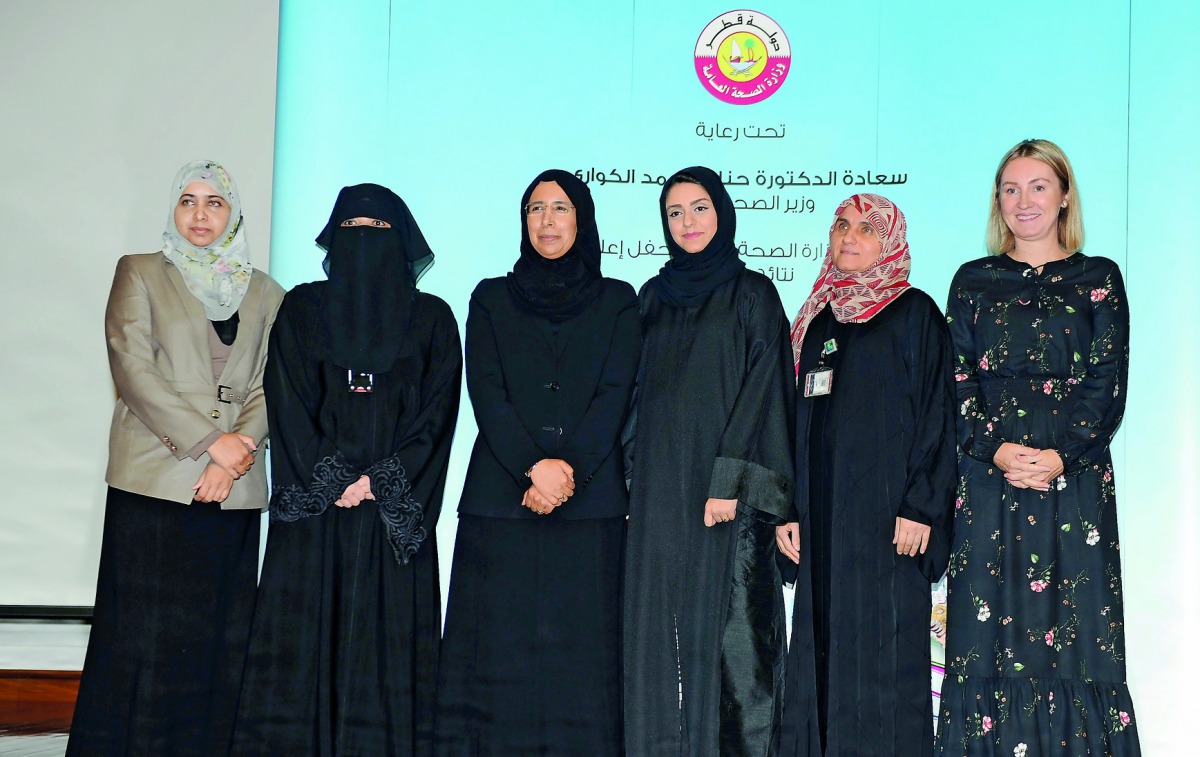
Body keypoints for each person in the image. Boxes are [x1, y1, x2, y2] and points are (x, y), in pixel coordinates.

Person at [231, 184, 461, 756]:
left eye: (380, 230)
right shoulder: (304, 308)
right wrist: (331, 479)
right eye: (353, 226)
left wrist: (381, 481)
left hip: (391, 524)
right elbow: (286, 400)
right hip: (316, 519)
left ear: (403, 240)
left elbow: (438, 416)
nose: (366, 241)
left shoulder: (432, 318)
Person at [68, 161, 284, 756]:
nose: (199, 214)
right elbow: (133, 369)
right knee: (141, 637)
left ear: (233, 213)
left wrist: (230, 458)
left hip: (232, 491)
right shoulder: (139, 273)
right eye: (188, 200)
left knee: (218, 637)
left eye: (215, 203)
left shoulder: (267, 292)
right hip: (154, 485)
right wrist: (210, 443)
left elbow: (273, 385)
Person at [935, 139, 1140, 755]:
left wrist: (1062, 456)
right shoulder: (973, 281)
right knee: (985, 631)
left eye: (1038, 186)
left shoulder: (1099, 279)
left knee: (1083, 632)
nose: (1024, 201)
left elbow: (1109, 382)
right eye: (1011, 189)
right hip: (989, 478)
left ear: (1064, 195)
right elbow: (957, 381)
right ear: (997, 201)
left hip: (1072, 483)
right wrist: (995, 450)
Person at [434, 169, 640, 756]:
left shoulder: (619, 301)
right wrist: (534, 467)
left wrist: (566, 469)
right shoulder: (489, 298)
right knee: (495, 660)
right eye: (535, 209)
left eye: (560, 208)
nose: (547, 221)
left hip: (590, 509)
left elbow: (615, 394)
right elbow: (488, 393)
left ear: (583, 219)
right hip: (501, 504)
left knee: (582, 668)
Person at [776, 193, 957, 755]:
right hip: (823, 528)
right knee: (819, 663)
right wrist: (788, 512)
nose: (849, 237)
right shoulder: (817, 321)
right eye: (841, 227)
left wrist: (922, 507)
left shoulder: (914, 312)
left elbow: (938, 415)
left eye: (866, 229)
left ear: (891, 242)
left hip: (889, 529)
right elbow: (791, 423)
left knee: (883, 666)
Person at [623, 166, 794, 756]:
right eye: (675, 212)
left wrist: (728, 481)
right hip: (658, 495)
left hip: (726, 503)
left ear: (721, 212)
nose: (688, 222)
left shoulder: (753, 294)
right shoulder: (651, 297)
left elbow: (764, 390)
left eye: (699, 207)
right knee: (656, 643)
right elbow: (634, 397)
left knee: (733, 649)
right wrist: (630, 480)